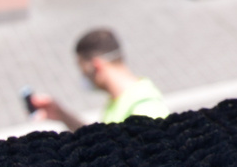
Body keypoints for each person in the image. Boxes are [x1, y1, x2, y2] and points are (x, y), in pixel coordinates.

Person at [28, 28, 170, 130]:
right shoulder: (119, 99)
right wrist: (61, 114)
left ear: (96, 66)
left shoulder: (145, 111)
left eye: (82, 69)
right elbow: (101, 143)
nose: (83, 77)